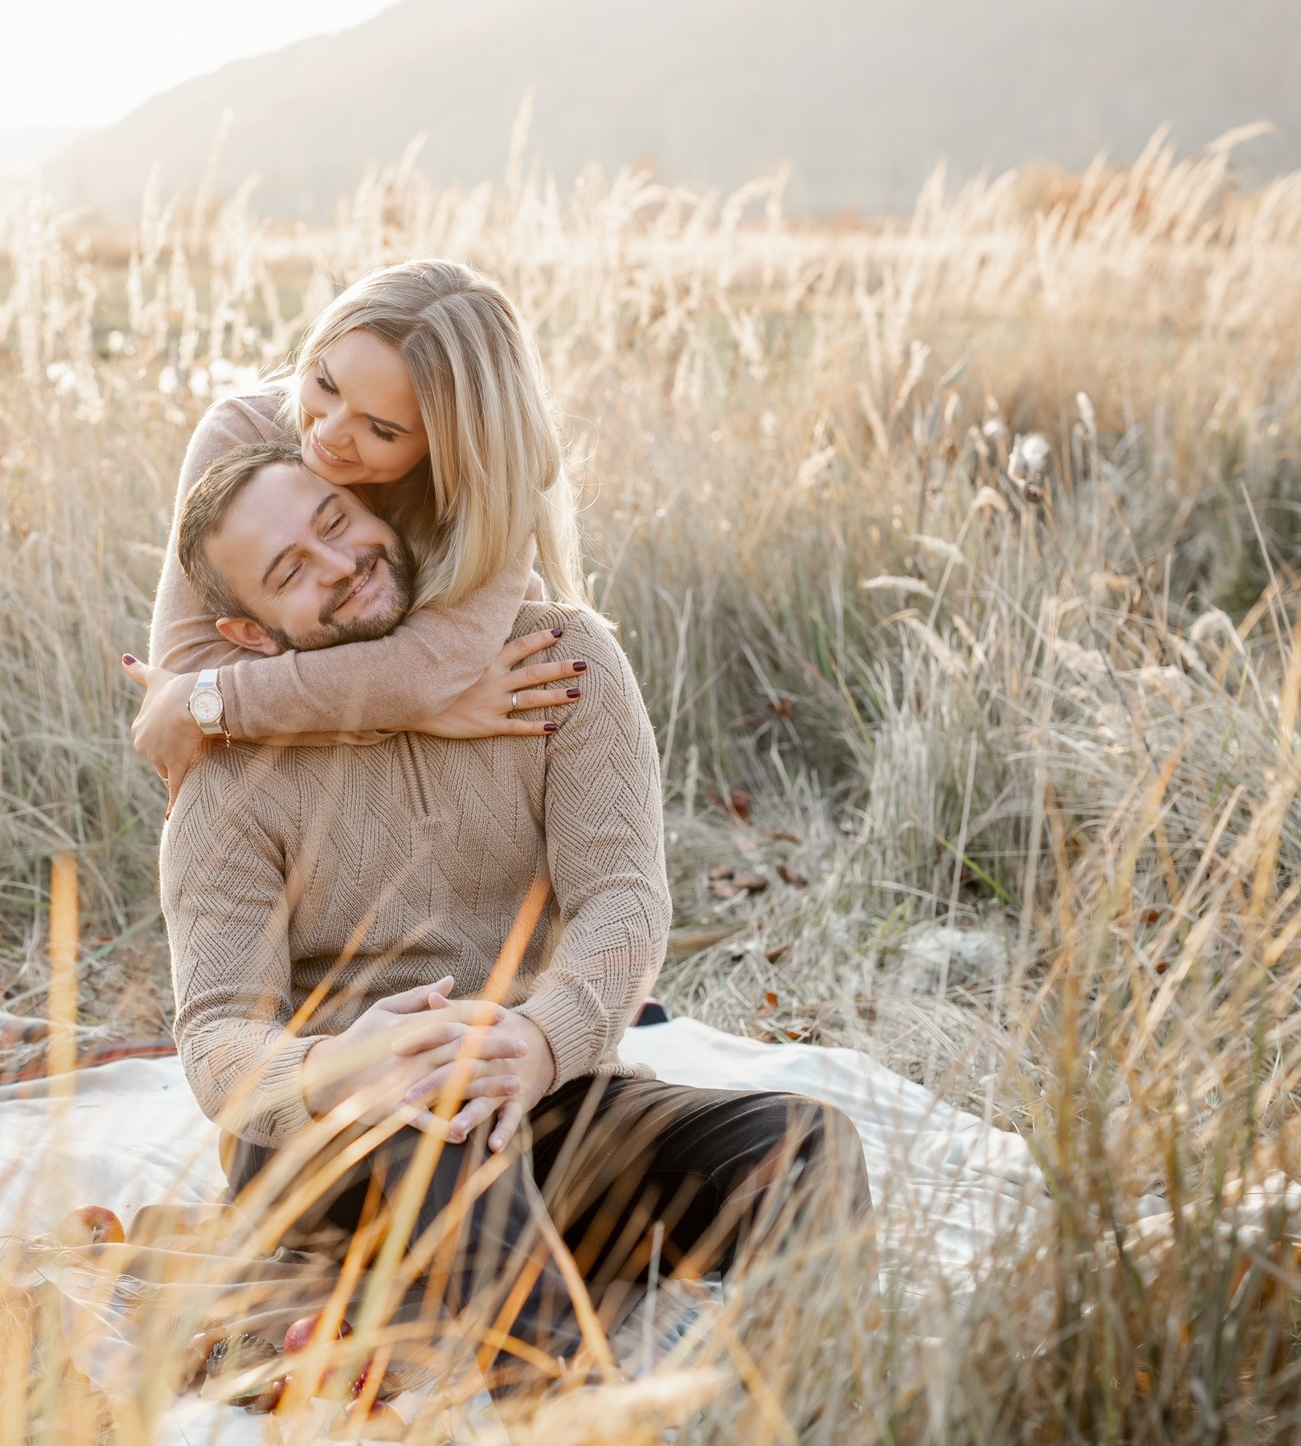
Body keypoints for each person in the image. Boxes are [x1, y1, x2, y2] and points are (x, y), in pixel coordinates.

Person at [156, 438, 873, 1380]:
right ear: (253, 636)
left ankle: (794, 1401)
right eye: (291, 570)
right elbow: (216, 1035)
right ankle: (569, 1407)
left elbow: (621, 897)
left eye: (337, 522)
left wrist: (541, 1042)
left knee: (806, 1141)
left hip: (548, 1099)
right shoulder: (229, 784)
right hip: (334, 1154)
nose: (340, 563)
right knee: (436, 1098)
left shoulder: (558, 659)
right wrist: (339, 1066)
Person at [123, 259, 591, 793]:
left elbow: (423, 671)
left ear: (447, 447)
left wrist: (217, 705)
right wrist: (416, 712)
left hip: (479, 775)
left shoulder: (493, 487)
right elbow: (188, 669)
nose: (328, 435)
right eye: (325, 383)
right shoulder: (242, 431)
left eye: (382, 429)